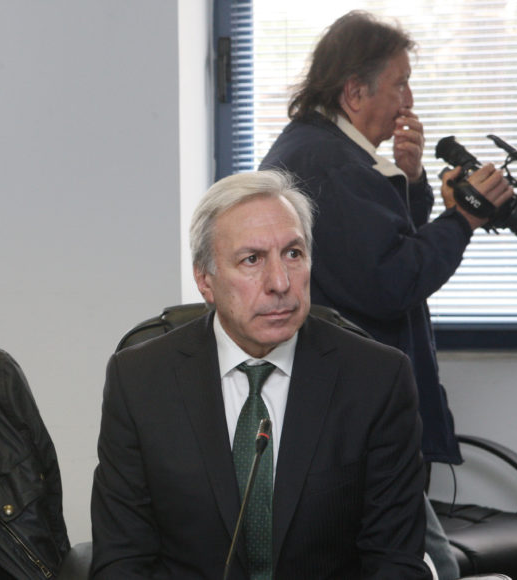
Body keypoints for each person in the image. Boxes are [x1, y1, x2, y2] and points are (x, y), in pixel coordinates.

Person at [257, 12, 512, 579]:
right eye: (399, 84)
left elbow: (379, 243)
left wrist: (411, 180)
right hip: (356, 413)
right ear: (354, 92)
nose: (409, 100)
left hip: (341, 407)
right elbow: (390, 281)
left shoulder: (322, 152)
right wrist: (465, 217)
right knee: (430, 565)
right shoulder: (332, 166)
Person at [91, 170, 430, 578]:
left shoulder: (377, 379)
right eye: (251, 260)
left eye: (293, 254)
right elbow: (122, 559)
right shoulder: (139, 380)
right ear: (205, 280)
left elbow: (394, 560)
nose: (280, 282)